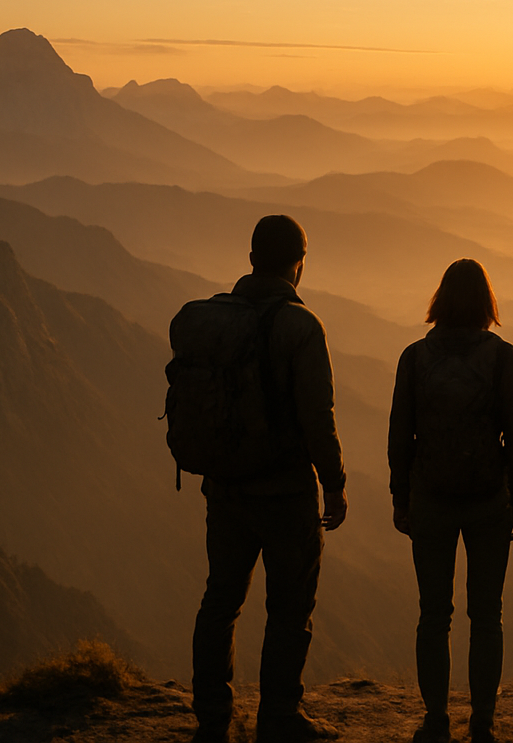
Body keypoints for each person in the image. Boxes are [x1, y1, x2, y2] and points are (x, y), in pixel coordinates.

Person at [184, 215, 348, 743]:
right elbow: (317, 418)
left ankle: (212, 718)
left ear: (252, 258)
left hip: (226, 487)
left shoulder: (213, 319)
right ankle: (278, 718)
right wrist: (335, 483)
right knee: (289, 606)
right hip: (284, 492)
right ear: (299, 263)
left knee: (220, 600)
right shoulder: (301, 326)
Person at [389, 259, 513, 743]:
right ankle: (482, 720)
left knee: (433, 614)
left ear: (440, 300)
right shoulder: (503, 356)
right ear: (486, 303)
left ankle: (435, 718)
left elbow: (399, 434)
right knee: (486, 614)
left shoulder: (414, 356)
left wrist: (401, 496)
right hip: (489, 497)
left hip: (430, 496)